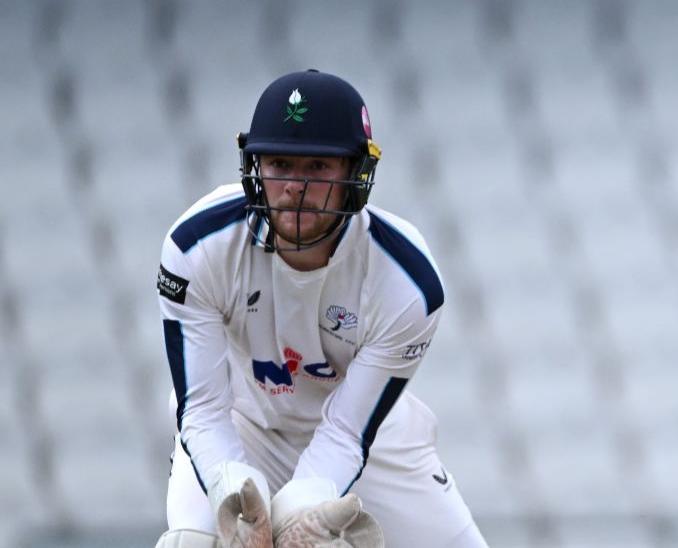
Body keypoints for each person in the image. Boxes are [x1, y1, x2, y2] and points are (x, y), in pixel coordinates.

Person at [153, 69, 486, 548]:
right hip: (242, 421)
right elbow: (202, 409)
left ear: (356, 173)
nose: (296, 187)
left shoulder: (408, 283)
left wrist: (299, 512)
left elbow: (347, 433)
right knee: (189, 542)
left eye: (318, 167)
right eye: (281, 163)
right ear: (254, 166)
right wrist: (233, 491)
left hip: (372, 442)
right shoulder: (196, 247)